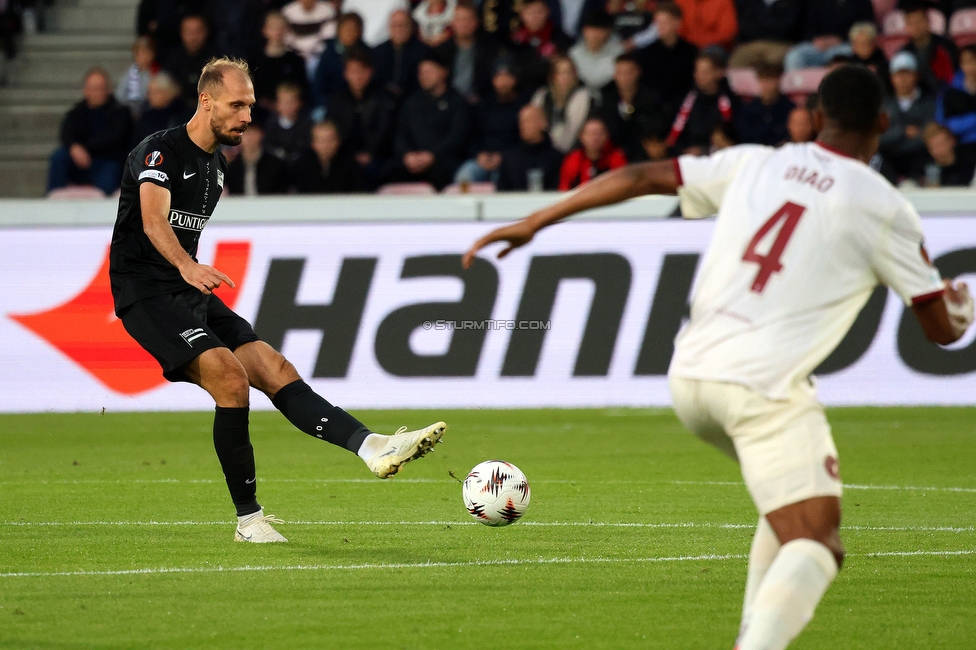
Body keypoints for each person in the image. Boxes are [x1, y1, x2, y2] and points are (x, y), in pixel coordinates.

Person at [461, 64, 974, 650]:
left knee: (785, 503)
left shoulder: (756, 160)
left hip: (690, 376)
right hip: (763, 387)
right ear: (883, 121)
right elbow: (941, 329)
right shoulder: (884, 206)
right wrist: (963, 304)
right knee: (818, 542)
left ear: (817, 116)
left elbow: (638, 175)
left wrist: (535, 221)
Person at [110, 57, 447, 544]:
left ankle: (372, 446)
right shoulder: (160, 153)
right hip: (146, 293)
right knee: (230, 378)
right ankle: (249, 520)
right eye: (237, 105)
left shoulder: (218, 166)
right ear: (206, 101)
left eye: (250, 104)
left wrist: (188, 274)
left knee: (274, 367)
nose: (248, 115)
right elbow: (152, 221)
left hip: (187, 290)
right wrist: (186, 265)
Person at [388, 52, 470, 189]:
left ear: (444, 72)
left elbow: (457, 136)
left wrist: (432, 155)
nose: (424, 76)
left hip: (443, 161)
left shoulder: (457, 102)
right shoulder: (411, 103)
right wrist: (406, 155)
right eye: (421, 72)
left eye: (429, 71)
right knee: (390, 172)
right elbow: (400, 134)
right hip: (412, 161)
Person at [48, 68, 133, 196]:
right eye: (92, 88)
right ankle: (53, 199)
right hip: (80, 162)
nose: (96, 92)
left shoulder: (120, 112)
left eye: (100, 87)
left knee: (109, 175)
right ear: (85, 90)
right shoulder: (77, 111)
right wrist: (74, 147)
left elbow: (113, 138)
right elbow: (66, 132)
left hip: (107, 161)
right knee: (59, 156)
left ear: (108, 89)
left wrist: (85, 149)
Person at [327, 48, 397, 188]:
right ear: (345, 74)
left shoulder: (385, 98)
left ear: (370, 72)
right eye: (353, 71)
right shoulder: (337, 100)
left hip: (379, 157)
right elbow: (334, 132)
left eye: (362, 71)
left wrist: (371, 154)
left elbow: (386, 132)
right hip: (345, 157)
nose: (358, 76)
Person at [454, 58, 525, 184]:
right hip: (482, 159)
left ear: (515, 79)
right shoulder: (483, 106)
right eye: (498, 77)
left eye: (507, 77)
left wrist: (505, 157)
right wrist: (478, 154)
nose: (503, 82)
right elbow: (471, 136)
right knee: (464, 177)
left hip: (508, 161)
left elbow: (523, 141)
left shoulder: (523, 107)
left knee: (503, 179)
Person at [599, 52, 668, 162]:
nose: (625, 77)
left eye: (629, 72)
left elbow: (655, 129)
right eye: (620, 73)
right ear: (614, 75)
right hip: (613, 154)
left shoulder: (652, 99)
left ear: (638, 72)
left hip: (643, 154)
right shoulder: (607, 98)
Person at [667, 48, 736, 155]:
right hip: (687, 156)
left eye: (705, 72)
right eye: (697, 71)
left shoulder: (730, 101)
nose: (699, 76)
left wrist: (704, 150)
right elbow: (674, 136)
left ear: (719, 73)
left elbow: (731, 137)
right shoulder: (686, 100)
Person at [880, 51, 935, 179]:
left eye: (907, 73)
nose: (903, 79)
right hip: (889, 158)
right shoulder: (883, 105)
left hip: (919, 158)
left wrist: (893, 135)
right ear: (891, 77)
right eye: (898, 74)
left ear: (916, 75)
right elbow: (879, 138)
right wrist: (903, 132)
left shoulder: (929, 103)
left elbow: (928, 134)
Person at [637, 2, 698, 110]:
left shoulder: (691, 51)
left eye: (664, 23)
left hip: (683, 106)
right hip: (653, 108)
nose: (660, 27)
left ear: (677, 23)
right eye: (657, 23)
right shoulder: (646, 52)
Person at [435, 1, 498, 104]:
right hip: (449, 103)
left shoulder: (489, 48)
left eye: (468, 19)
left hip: (481, 102)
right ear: (453, 22)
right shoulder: (441, 51)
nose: (464, 24)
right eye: (459, 19)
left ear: (477, 22)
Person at [783, 0, 873, 71]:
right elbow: (807, 26)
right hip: (817, 46)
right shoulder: (818, 2)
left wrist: (840, 39)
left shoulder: (862, 2)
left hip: (845, 45)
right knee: (794, 56)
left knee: (847, 54)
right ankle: (798, 92)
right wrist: (816, 39)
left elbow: (866, 28)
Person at [249, 11, 310, 113]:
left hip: (292, 113)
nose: (277, 31)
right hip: (260, 114)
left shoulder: (296, 60)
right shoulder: (254, 61)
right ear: (264, 30)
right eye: (273, 27)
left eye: (281, 27)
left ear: (287, 30)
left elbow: (303, 91)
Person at [529, 55, 592, 153]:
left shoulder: (582, 96)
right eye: (560, 72)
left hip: (571, 150)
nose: (565, 77)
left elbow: (572, 130)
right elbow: (533, 123)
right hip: (542, 149)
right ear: (553, 75)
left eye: (568, 72)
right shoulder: (542, 95)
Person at [311, 12, 370, 114]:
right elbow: (318, 85)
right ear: (339, 30)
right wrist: (329, 104)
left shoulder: (366, 53)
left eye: (353, 29)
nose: (349, 33)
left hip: (360, 105)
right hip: (331, 103)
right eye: (346, 29)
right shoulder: (328, 53)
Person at [496, 104, 564, 191]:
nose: (523, 126)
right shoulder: (510, 158)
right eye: (521, 121)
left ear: (543, 123)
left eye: (528, 121)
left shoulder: (557, 158)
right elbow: (501, 193)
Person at [373, 9, 429, 106]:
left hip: (414, 103)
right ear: (389, 27)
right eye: (395, 25)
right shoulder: (378, 52)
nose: (399, 29)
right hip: (381, 103)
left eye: (403, 25)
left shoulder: (424, 52)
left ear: (411, 27)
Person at [900, 1, 959, 93]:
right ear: (906, 26)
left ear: (928, 21)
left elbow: (955, 73)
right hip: (919, 99)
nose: (916, 26)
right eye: (911, 23)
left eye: (919, 21)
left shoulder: (946, 46)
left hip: (946, 93)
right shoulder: (904, 52)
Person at [294, 120, 367, 192]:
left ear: (338, 141)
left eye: (330, 140)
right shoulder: (301, 166)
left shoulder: (351, 166)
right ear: (313, 143)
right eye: (321, 141)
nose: (326, 145)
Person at [728, 0, 804, 69]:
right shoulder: (747, 2)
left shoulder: (795, 3)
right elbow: (744, 27)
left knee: (774, 61)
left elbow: (789, 27)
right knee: (738, 60)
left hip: (783, 44)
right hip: (751, 44)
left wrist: (762, 27)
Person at [163, 14, 216, 111]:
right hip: (177, 110)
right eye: (189, 32)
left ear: (206, 32)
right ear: (181, 33)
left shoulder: (217, 59)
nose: (193, 36)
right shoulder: (173, 58)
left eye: (197, 31)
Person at [557, 116, 627, 189]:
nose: (595, 138)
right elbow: (564, 188)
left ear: (607, 135)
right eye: (590, 134)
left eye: (599, 133)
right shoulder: (572, 159)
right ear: (581, 136)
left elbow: (623, 185)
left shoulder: (617, 157)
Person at [734, 62, 794, 146]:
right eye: (763, 80)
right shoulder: (747, 110)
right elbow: (744, 134)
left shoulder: (790, 108)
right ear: (758, 81)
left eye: (770, 80)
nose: (767, 85)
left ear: (779, 80)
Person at [130, 72, 193, 147]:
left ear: (168, 92)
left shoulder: (187, 115)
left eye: (154, 92)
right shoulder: (146, 117)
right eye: (148, 92)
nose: (148, 96)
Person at [225, 122, 290, 195]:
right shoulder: (232, 167)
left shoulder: (276, 165)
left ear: (261, 134)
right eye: (244, 132)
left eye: (253, 132)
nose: (249, 137)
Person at [569, 9, 624, 92]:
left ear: (609, 32)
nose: (595, 35)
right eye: (592, 29)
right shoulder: (573, 54)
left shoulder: (619, 54)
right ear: (584, 30)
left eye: (600, 30)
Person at [282, 0, 337, 76]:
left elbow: (329, 36)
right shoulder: (288, 11)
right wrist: (300, 54)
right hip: (295, 57)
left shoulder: (327, 10)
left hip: (319, 56)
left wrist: (312, 53)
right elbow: (286, 39)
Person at [936, 44, 976, 150]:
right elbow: (946, 126)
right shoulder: (949, 93)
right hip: (961, 148)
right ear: (961, 64)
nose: (972, 66)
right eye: (967, 62)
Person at [264, 81, 313, 165]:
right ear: (277, 104)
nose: (288, 106)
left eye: (291, 102)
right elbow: (268, 146)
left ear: (299, 103)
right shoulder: (270, 125)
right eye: (284, 102)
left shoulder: (307, 125)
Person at [913, 121, 976, 186]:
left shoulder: (970, 162)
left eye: (942, 144)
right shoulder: (922, 167)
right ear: (929, 149)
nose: (940, 150)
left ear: (952, 141)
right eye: (935, 147)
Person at [116, 36, 160, 119]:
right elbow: (120, 95)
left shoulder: (158, 73)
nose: (144, 57)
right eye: (140, 53)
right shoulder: (130, 73)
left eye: (147, 52)